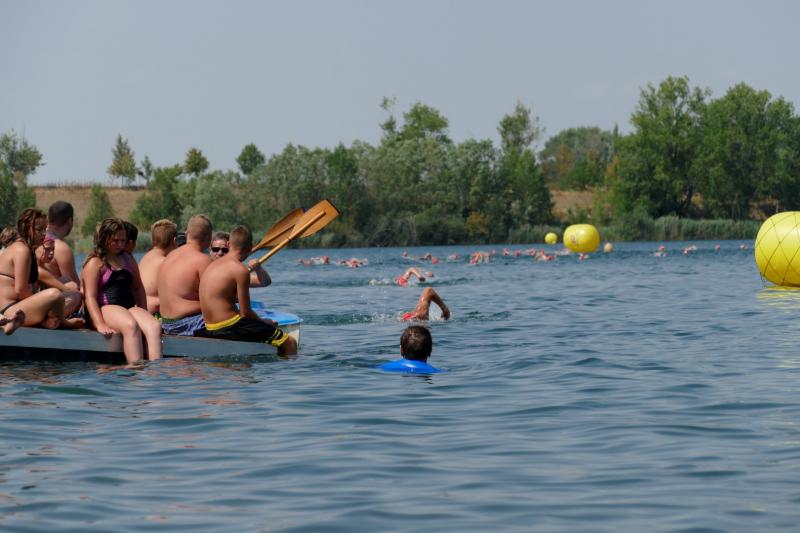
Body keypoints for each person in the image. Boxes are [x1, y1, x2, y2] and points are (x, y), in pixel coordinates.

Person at [195, 224, 297, 355]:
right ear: (250, 248)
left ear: (229, 244)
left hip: (209, 327)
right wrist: (264, 322)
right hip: (229, 326)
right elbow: (246, 313)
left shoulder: (211, 266)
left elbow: (263, 283)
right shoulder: (240, 270)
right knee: (290, 342)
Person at [82, 218, 162, 364]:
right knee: (131, 325)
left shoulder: (128, 259)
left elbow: (137, 288)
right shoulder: (95, 263)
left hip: (128, 307)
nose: (120, 244)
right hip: (104, 308)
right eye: (115, 240)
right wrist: (99, 323)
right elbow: (90, 297)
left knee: (154, 326)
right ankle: (135, 367)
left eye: (123, 241)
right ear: (104, 238)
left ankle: (156, 371)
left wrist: (144, 311)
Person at [0, 208, 83, 330]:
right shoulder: (21, 250)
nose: (43, 234)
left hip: (20, 306)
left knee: (75, 295)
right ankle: (63, 322)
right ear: (25, 229)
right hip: (11, 311)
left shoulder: (29, 250)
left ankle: (46, 321)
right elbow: (21, 290)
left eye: (45, 229)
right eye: (39, 230)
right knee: (55, 294)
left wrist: (43, 302)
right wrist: (44, 302)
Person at [157, 215, 213, 336]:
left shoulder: (169, 257)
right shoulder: (203, 260)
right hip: (189, 323)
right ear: (209, 238)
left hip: (166, 323)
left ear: (187, 233)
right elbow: (215, 299)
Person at [34, 233, 83, 316]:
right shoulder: (38, 270)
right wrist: (85, 295)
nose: (51, 253)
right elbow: (66, 289)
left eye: (53, 249)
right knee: (76, 295)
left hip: (37, 302)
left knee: (66, 279)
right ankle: (50, 319)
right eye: (47, 249)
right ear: (35, 248)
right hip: (32, 309)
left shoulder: (42, 267)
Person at [138, 219, 178, 314]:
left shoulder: (145, 258)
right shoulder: (165, 262)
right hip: (153, 314)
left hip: (140, 311)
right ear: (174, 241)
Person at [44, 201, 79, 284]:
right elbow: (74, 285)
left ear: (48, 219)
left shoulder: (36, 239)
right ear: (69, 221)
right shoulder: (61, 249)